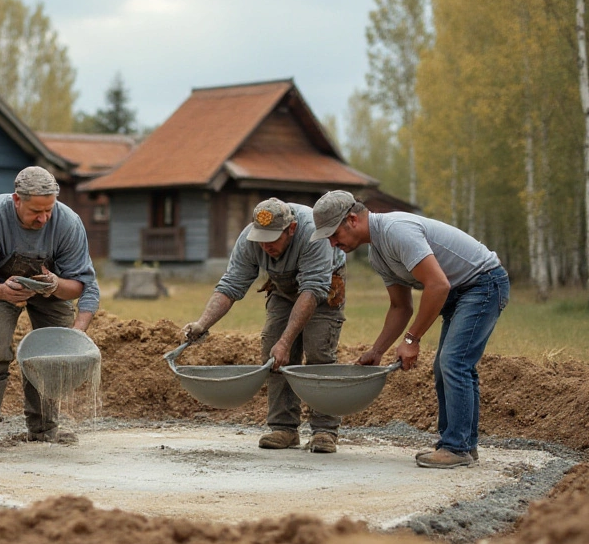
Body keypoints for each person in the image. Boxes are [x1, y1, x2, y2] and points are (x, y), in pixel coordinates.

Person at [310, 190, 509, 469]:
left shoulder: (395, 231)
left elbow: (438, 285)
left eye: (333, 234)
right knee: (446, 365)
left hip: (483, 284)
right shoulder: (378, 253)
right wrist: (376, 351)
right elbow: (400, 307)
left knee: (453, 362)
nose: (332, 243)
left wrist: (412, 339)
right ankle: (462, 444)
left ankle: (457, 447)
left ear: (352, 220)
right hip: (460, 291)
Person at [0, 166, 100, 457]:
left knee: (52, 354)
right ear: (16, 200)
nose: (43, 218)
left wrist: (57, 288)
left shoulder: (68, 223)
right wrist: (1, 291)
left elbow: (84, 285)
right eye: (36, 211)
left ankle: (44, 427)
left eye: (49, 210)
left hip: (52, 287)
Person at [183, 198, 348, 453]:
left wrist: (287, 340)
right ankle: (284, 428)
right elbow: (231, 285)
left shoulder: (313, 233)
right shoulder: (250, 240)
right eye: (261, 238)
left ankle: (325, 430)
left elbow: (313, 290)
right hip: (282, 288)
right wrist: (201, 324)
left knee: (319, 354)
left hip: (323, 289)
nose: (265, 245)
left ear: (291, 229)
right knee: (273, 352)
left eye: (272, 239)